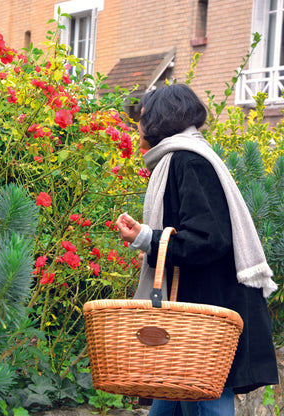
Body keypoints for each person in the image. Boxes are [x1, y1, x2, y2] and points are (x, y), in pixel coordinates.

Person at [115, 84, 279, 416]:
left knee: (208, 401)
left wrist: (148, 238)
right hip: (191, 314)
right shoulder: (182, 158)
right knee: (175, 401)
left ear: (160, 119)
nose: (137, 125)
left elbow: (208, 237)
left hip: (203, 319)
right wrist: (147, 236)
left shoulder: (186, 160)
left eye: (142, 117)